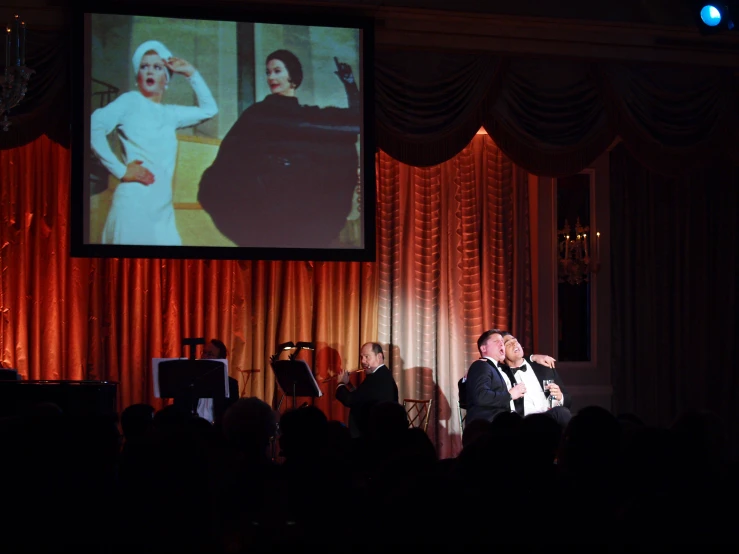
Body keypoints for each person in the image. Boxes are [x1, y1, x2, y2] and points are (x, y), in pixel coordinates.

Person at [197, 49, 360, 248]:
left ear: (292, 75)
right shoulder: (257, 114)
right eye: (268, 72)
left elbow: (355, 122)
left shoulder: (308, 116)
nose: (271, 77)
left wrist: (350, 83)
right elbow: (232, 157)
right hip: (267, 206)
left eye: (277, 71)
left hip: (300, 209)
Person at [90, 40, 218, 245]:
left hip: (162, 210)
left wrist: (191, 73)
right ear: (137, 77)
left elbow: (209, 109)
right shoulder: (130, 101)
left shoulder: (171, 114)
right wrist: (121, 171)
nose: (150, 71)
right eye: (144, 66)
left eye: (157, 67)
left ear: (166, 79)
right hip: (133, 204)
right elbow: (93, 125)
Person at [464, 329, 556, 426]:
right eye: (496, 341)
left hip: (508, 423)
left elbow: (518, 360)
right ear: (483, 348)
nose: (501, 344)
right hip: (489, 426)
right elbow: (481, 396)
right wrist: (510, 395)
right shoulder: (482, 365)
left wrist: (533, 357)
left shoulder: (499, 369)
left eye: (502, 342)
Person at [502, 334, 572, 426]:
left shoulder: (544, 366)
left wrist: (560, 397)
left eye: (515, 341)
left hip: (550, 418)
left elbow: (568, 401)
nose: (514, 344)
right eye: (509, 344)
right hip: (524, 423)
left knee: (563, 412)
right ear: (502, 351)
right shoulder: (501, 374)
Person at [335, 342, 399, 438]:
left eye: (367, 357)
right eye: (361, 357)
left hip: (371, 437)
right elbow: (361, 397)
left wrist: (340, 384)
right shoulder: (380, 374)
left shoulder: (377, 378)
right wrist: (348, 384)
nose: (363, 361)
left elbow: (350, 401)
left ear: (379, 357)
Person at [196, 338, 239, 424]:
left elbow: (232, 417)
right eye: (204, 352)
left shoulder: (231, 384)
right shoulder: (191, 382)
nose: (204, 357)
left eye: (210, 354)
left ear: (220, 360)